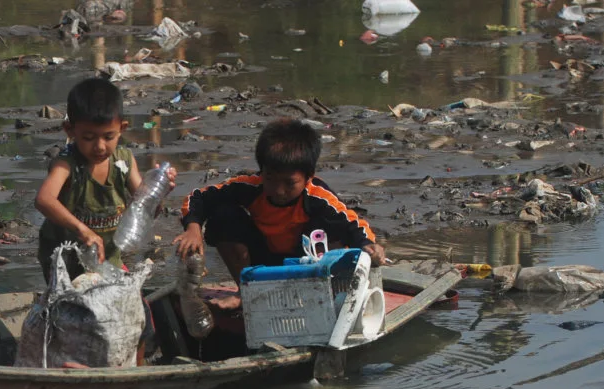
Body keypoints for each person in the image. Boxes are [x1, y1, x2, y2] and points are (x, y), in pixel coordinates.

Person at [174, 117, 386, 283]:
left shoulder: (319, 198)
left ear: (308, 177)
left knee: (334, 229)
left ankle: (323, 287)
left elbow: (355, 224)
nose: (279, 190)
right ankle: (245, 291)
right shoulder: (249, 187)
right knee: (223, 217)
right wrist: (193, 230)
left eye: (289, 183)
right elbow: (199, 197)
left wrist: (369, 246)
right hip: (263, 261)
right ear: (261, 170)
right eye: (270, 179)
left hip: (307, 261)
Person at [34, 76, 176, 283]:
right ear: (70, 131)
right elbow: (44, 200)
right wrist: (83, 231)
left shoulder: (124, 161)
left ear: (122, 129)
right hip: (65, 259)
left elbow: (145, 208)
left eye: (108, 137)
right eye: (89, 138)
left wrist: (160, 191)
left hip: (107, 255)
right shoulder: (66, 164)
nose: (100, 146)